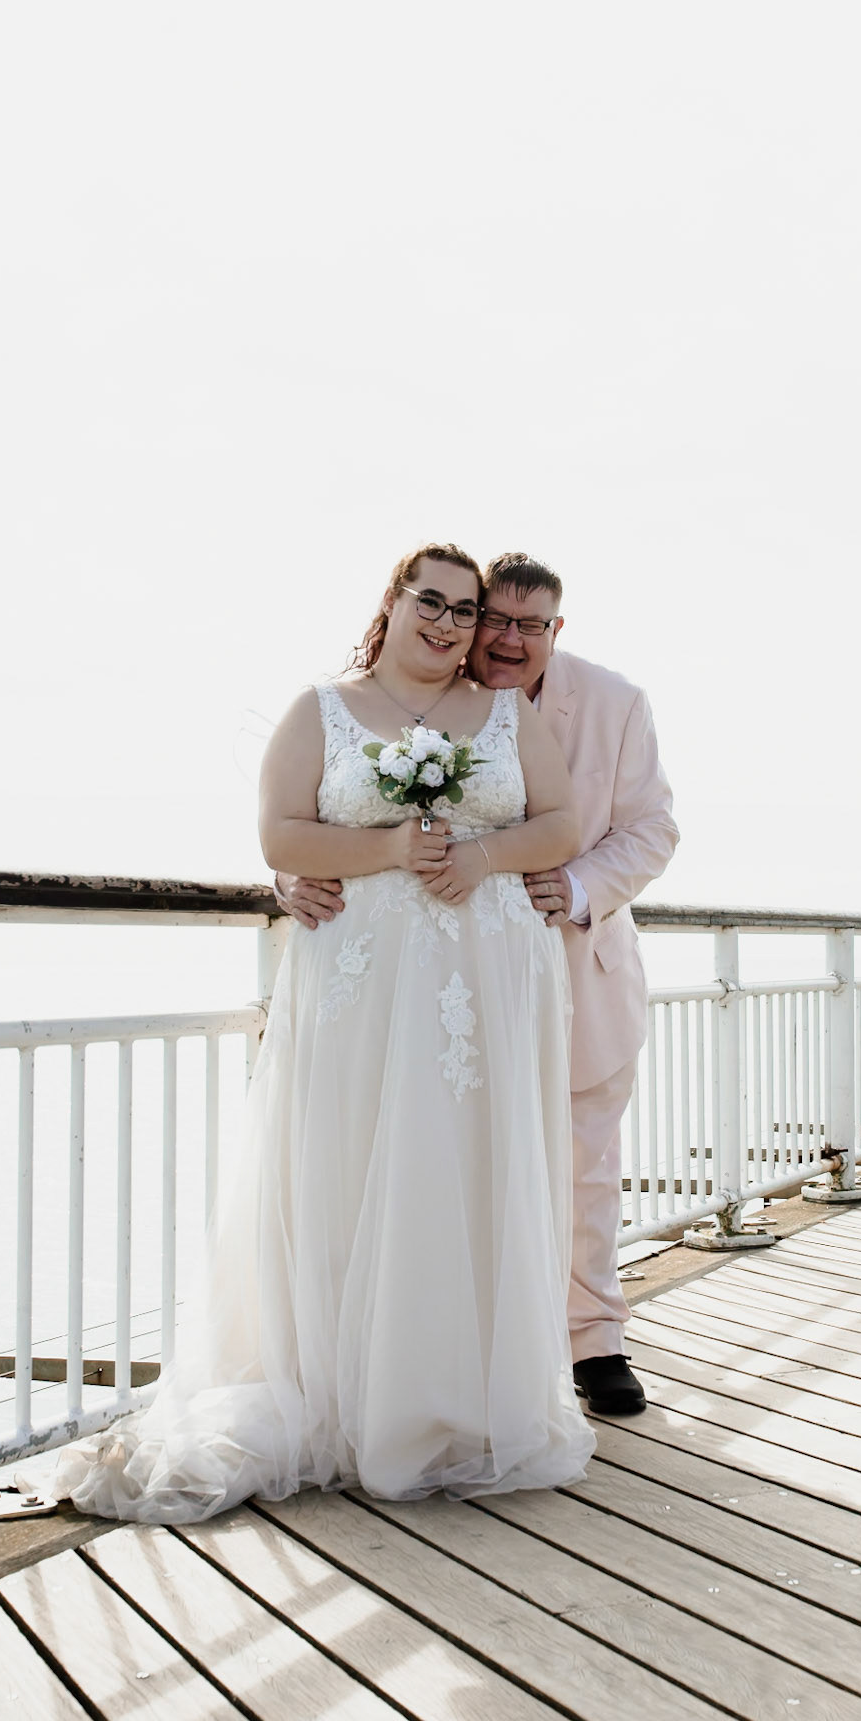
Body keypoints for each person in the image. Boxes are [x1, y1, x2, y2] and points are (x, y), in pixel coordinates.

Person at [32, 543, 595, 1520]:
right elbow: (284, 837)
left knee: (470, 1171)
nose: (451, 623)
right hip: (363, 987)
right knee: (352, 1165)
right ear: (393, 599)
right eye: (435, 601)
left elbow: (561, 824)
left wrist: (484, 853)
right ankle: (348, 1395)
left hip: (483, 993)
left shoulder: (506, 713)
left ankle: (458, 1401)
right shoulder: (319, 711)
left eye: (468, 610)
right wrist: (386, 847)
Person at [280, 551, 678, 1416]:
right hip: (441, 981)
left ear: (555, 631)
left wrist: (574, 889)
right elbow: (330, 808)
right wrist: (290, 881)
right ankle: (455, 1347)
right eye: (491, 619)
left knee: (579, 1159)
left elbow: (652, 829)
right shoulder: (419, 699)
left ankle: (592, 1337)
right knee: (457, 1159)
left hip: (575, 958)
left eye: (526, 626)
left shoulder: (614, 703)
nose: (503, 639)